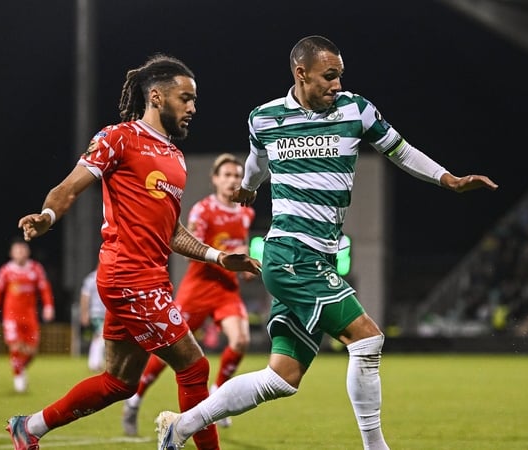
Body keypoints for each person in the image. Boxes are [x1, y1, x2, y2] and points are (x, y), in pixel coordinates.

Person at [155, 35, 498, 450]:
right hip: (289, 254)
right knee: (368, 338)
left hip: (319, 258)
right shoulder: (264, 118)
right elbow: (256, 162)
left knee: (281, 378)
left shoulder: (356, 110)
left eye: (340, 75)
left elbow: (401, 151)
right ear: (301, 74)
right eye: (328, 76)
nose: (337, 84)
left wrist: (448, 178)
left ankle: (181, 426)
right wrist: (247, 186)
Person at [5, 54, 261, 450]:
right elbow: (69, 187)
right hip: (128, 277)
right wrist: (48, 215)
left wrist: (218, 257)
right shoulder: (118, 138)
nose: (193, 108)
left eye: (194, 100)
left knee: (119, 382)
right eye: (185, 98)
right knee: (194, 368)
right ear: (156, 97)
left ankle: (30, 428)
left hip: (149, 278)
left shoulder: (175, 158)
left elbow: (173, 231)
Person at [121, 153, 256, 435]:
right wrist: (223, 257)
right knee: (170, 350)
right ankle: (135, 400)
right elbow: (191, 250)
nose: (232, 180)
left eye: (236, 175)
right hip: (198, 288)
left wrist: (243, 264)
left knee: (241, 339)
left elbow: (240, 241)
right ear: (215, 179)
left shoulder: (246, 212)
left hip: (226, 290)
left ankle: (218, 398)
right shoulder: (202, 211)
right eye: (227, 175)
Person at [0, 238, 55, 394]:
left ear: (28, 252)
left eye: (23, 250)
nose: (20, 253)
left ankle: (20, 367)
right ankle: (18, 377)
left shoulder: (36, 269)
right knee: (15, 346)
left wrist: (48, 307)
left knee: (32, 351)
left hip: (30, 315)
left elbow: (45, 289)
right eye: (17, 250)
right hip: (11, 316)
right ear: (11, 253)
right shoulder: (5, 271)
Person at [79, 267, 106, 372]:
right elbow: (85, 297)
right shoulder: (91, 278)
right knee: (102, 336)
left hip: (107, 313)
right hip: (96, 313)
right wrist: (84, 313)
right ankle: (96, 363)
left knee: (98, 337)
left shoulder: (108, 276)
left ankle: (93, 362)